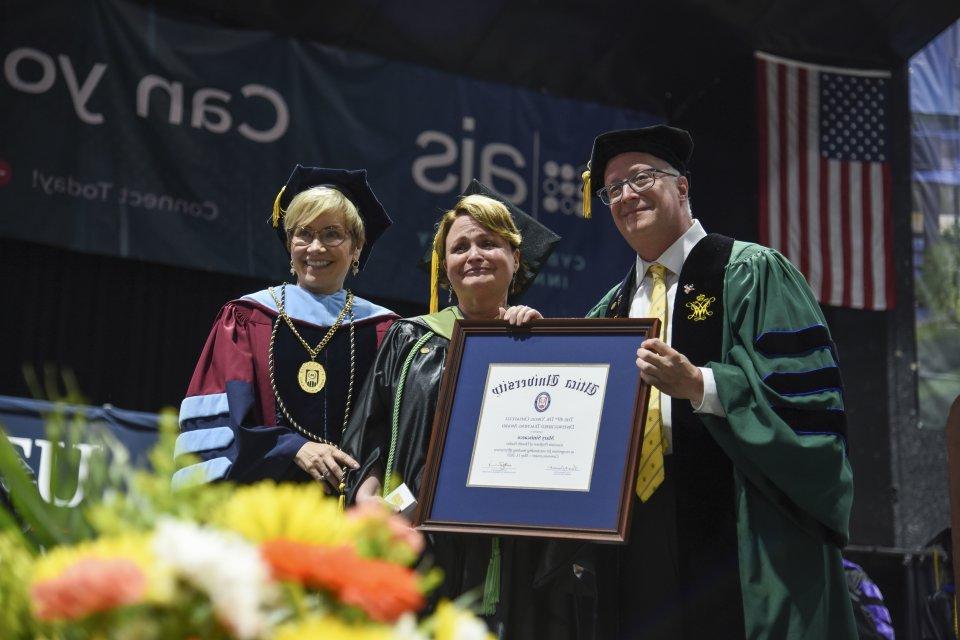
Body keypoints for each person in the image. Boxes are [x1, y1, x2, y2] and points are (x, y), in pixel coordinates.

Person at [570, 125, 857, 639]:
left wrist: (700, 384)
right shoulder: (611, 311)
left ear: (681, 187)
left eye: (641, 177)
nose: (626, 195)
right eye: (613, 189)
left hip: (742, 521)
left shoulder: (751, 272)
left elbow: (807, 405)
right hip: (636, 530)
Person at [341, 180, 560, 631]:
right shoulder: (409, 338)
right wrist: (368, 500)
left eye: (489, 243)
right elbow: (368, 432)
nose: (474, 254)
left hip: (507, 545)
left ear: (515, 259)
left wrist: (538, 347)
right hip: (413, 537)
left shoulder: (540, 345)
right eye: (460, 247)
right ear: (446, 266)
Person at [174, 165, 397, 493]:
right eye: (303, 233)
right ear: (290, 245)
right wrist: (293, 447)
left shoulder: (385, 330)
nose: (315, 248)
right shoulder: (246, 319)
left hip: (350, 510)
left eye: (332, 233)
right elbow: (223, 423)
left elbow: (397, 433)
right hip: (261, 507)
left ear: (356, 248)